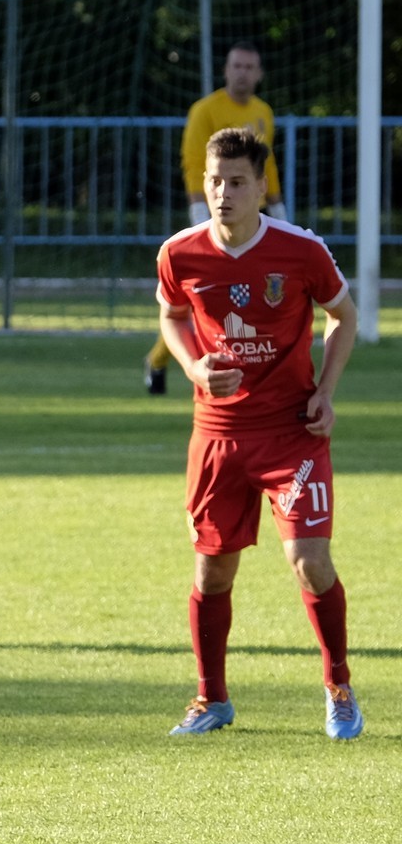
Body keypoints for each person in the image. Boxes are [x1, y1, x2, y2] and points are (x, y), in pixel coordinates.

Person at [155, 126, 360, 740]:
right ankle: (211, 699)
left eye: (237, 182)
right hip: (217, 435)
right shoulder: (179, 253)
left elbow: (343, 316)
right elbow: (171, 315)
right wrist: (193, 368)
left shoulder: (301, 251)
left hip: (292, 432)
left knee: (308, 561)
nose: (223, 194)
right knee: (212, 573)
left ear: (261, 187)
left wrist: (325, 392)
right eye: (214, 181)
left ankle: (339, 688)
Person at [147, 42, 286, 394]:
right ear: (225, 70)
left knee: (252, 297)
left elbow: (266, 166)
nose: (242, 73)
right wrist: (200, 213)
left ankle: (254, 369)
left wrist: (279, 209)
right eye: (236, 66)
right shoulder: (205, 110)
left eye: (249, 67)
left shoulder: (263, 112)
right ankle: (161, 360)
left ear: (259, 74)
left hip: (254, 217)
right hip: (215, 216)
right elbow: (195, 163)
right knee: (197, 302)